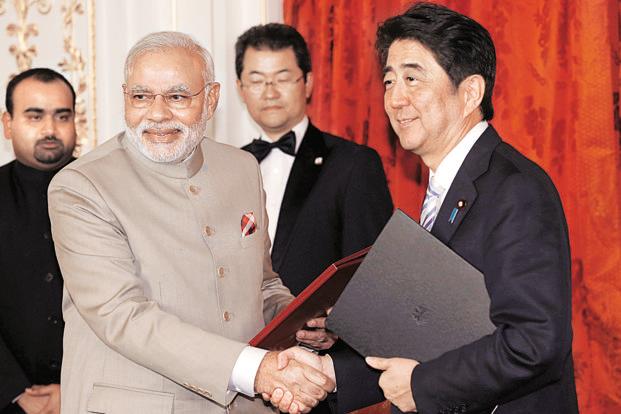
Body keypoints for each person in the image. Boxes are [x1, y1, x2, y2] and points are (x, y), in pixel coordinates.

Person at [276, 3, 579, 413]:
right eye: (388, 80)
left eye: (412, 79)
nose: (395, 99)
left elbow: (535, 343)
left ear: (470, 92)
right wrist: (330, 373)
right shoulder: (448, 186)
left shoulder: (516, 189)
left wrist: (422, 384)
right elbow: (430, 336)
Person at [47, 31, 334, 414]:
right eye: (141, 96)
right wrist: (256, 370)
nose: (158, 113)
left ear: (211, 98)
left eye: (178, 96)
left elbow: (261, 284)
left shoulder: (242, 168)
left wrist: (297, 318)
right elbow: (122, 314)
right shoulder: (81, 186)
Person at [237, 23, 393, 304]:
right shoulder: (227, 168)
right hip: (238, 345)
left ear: (307, 83)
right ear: (240, 89)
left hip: (319, 345)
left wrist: (336, 330)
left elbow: (374, 275)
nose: (269, 92)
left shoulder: (354, 165)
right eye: (257, 81)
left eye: (282, 79)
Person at [0, 68, 77, 414]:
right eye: (35, 116)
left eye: (62, 116)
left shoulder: (112, 191)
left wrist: (78, 386)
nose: (50, 130)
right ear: (8, 123)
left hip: (97, 395)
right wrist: (15, 390)